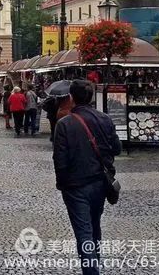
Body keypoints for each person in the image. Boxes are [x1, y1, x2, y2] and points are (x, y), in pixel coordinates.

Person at [54, 80, 121, 275]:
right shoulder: (105, 119)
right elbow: (116, 148)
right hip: (100, 183)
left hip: (75, 186)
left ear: (71, 98)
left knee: (84, 233)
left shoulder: (64, 124)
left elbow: (60, 159)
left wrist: (62, 185)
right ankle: (94, 264)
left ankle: (91, 272)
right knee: (94, 228)